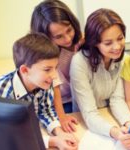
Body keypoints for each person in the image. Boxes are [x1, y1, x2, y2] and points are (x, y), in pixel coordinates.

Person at [0, 33, 78, 149]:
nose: (54, 75)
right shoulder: (2, 93)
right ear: (25, 70)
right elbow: (6, 135)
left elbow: (45, 110)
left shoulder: (44, 82)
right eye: (47, 69)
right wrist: (53, 141)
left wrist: (60, 133)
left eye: (55, 67)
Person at [70, 8, 130, 149]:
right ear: (95, 43)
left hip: (109, 117)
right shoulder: (79, 62)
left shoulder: (123, 60)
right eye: (108, 43)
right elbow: (90, 114)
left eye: (120, 38)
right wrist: (116, 133)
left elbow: (117, 99)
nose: (117, 47)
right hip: (87, 125)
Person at [30, 0, 82, 133]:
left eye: (69, 30)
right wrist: (62, 116)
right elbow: (56, 85)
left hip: (78, 95)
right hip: (59, 101)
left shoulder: (79, 40)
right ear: (46, 37)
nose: (67, 38)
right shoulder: (47, 55)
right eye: (59, 36)